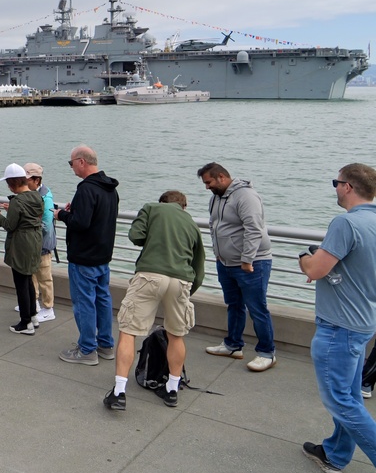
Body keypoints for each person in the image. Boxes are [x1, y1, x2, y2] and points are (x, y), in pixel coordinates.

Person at [299, 163, 376, 473]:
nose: (336, 188)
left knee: (341, 400)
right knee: (351, 396)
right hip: (362, 323)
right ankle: (335, 454)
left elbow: (316, 270)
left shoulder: (345, 224)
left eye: (336, 182)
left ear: (348, 187)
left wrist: (306, 259)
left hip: (338, 328)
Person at [103, 190, 205, 411]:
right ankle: (172, 389)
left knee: (128, 331)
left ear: (162, 202)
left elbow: (135, 236)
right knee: (176, 335)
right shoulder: (191, 222)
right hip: (181, 281)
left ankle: (119, 392)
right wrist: (188, 291)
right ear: (184, 206)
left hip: (149, 275)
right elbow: (199, 264)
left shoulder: (151, 208)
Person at [198, 162, 276, 372]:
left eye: (209, 182)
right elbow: (214, 226)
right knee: (234, 304)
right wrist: (218, 254)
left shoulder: (246, 196)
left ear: (221, 176)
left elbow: (254, 229)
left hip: (252, 263)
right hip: (225, 263)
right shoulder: (216, 197)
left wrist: (247, 259)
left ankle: (267, 353)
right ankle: (233, 345)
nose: (207, 187)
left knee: (257, 308)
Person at [55, 145, 119, 365]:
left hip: (83, 257)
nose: (71, 167)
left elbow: (80, 223)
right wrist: (76, 211)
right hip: (103, 255)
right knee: (102, 300)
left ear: (81, 161)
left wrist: (61, 214)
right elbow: (97, 217)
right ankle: (105, 345)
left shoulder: (86, 189)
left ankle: (87, 350)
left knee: (84, 303)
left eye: (71, 163)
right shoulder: (110, 188)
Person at [0, 164, 43, 335]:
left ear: (12, 183)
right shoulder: (37, 196)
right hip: (35, 239)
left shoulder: (17, 201)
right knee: (28, 279)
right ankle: (33, 316)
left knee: (21, 282)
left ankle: (25, 322)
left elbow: (9, 225)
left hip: (21, 243)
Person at [23, 162, 56, 323]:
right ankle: (34, 303)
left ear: (36, 180)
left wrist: (32, 231)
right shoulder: (29, 193)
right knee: (32, 276)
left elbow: (47, 220)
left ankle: (48, 308)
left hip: (42, 244)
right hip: (32, 243)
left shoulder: (45, 195)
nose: (25, 182)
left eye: (27, 179)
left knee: (44, 277)